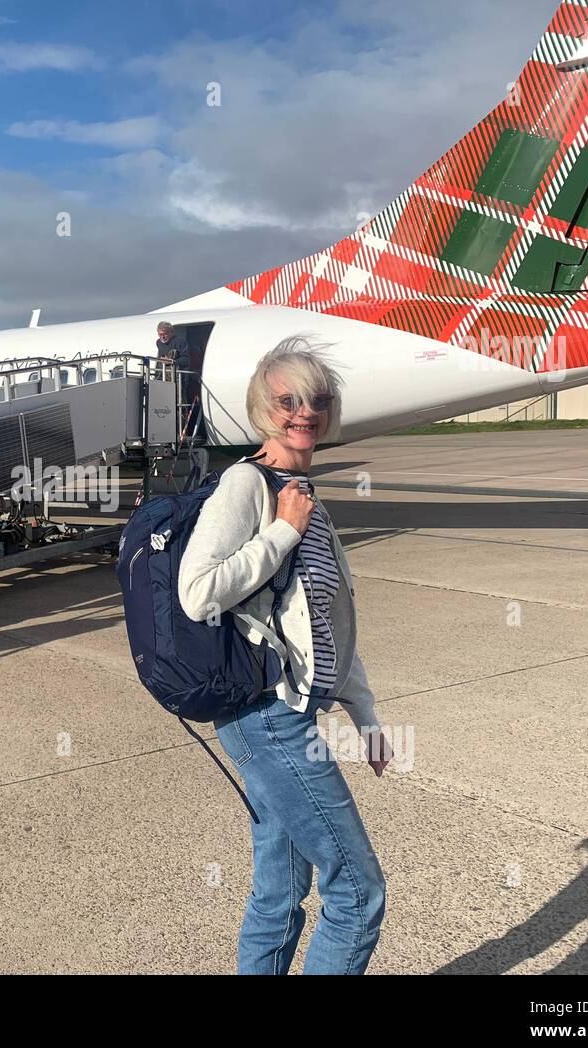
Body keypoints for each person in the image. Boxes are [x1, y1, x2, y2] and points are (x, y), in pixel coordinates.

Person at [177, 335, 392, 975]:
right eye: (287, 400)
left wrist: (367, 717)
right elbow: (198, 590)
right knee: (358, 894)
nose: (304, 410)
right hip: (267, 719)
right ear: (263, 409)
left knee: (279, 892)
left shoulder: (303, 491)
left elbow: (325, 625)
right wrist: (281, 532)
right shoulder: (249, 485)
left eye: (317, 399)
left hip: (296, 713)